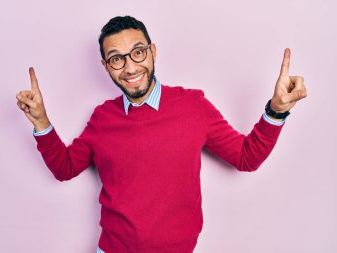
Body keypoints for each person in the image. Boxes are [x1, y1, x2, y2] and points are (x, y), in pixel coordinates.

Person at [15, 16, 307, 253]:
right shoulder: (102, 118)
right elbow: (65, 168)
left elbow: (246, 157)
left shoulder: (193, 106)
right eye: (117, 59)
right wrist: (41, 121)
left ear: (152, 52)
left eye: (138, 53)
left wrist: (276, 111)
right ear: (106, 67)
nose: (130, 67)